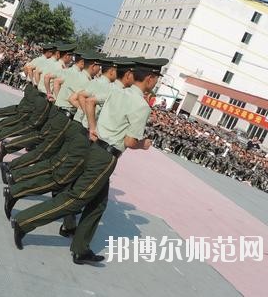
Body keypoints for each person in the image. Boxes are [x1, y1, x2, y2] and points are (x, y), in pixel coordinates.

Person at [10, 58, 169, 265]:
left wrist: (93, 126)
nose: (155, 83)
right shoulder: (141, 105)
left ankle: (80, 248)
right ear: (149, 78)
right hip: (105, 157)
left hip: (94, 147)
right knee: (76, 198)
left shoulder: (117, 90)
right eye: (156, 79)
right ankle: (25, 221)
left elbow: (88, 101)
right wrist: (144, 144)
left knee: (98, 203)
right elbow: (130, 141)